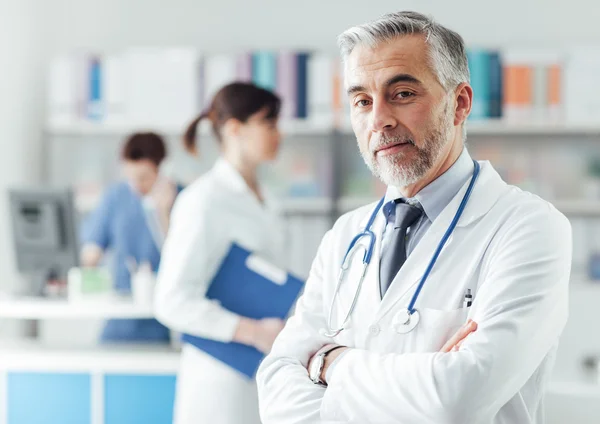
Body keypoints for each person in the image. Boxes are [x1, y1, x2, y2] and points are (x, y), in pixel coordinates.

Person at [257, 11, 571, 424]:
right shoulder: (346, 236)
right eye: (362, 101)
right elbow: (277, 389)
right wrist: (422, 380)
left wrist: (330, 364)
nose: (379, 120)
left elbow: (456, 399)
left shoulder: (530, 228)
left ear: (459, 103)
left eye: (402, 93)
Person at [154, 82, 287, 424]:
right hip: (218, 380)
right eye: (269, 124)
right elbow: (171, 300)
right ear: (234, 129)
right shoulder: (203, 201)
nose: (279, 134)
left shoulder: (268, 198)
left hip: (263, 371)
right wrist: (255, 332)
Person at [81, 132, 178, 342]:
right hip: (119, 319)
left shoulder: (182, 199)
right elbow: (91, 252)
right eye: (131, 177)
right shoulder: (115, 197)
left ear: (162, 170)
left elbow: (181, 255)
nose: (137, 185)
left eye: (144, 177)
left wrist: (163, 213)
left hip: (161, 322)